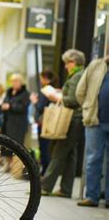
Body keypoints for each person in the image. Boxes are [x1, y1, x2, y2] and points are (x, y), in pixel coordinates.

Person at [40, 49, 85, 198]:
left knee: (59, 152)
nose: (65, 66)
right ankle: (66, 189)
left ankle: (44, 187)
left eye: (67, 63)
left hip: (73, 118)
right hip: (76, 118)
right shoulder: (77, 75)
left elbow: (74, 99)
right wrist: (61, 93)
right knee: (71, 154)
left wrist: (56, 97)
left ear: (74, 62)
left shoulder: (77, 76)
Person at [75, 55, 109, 208]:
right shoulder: (95, 65)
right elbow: (80, 91)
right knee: (93, 159)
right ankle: (92, 197)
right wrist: (88, 106)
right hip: (95, 121)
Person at [0, 73, 30, 169]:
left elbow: (24, 107)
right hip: (7, 122)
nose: (14, 83)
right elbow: (4, 102)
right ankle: (7, 163)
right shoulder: (9, 91)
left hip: (18, 124)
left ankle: (14, 166)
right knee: (5, 143)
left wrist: (10, 106)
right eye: (12, 81)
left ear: (21, 82)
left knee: (15, 144)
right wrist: (1, 106)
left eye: (16, 81)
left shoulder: (25, 93)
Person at [30, 69, 58, 176]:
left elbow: (40, 107)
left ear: (46, 79)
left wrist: (34, 101)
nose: (40, 80)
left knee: (44, 148)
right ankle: (46, 170)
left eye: (42, 78)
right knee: (46, 147)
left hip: (43, 123)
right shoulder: (53, 90)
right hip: (49, 122)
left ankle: (45, 171)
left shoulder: (46, 90)